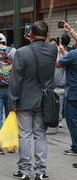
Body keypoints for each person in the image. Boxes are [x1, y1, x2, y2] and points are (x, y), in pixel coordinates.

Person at [9, 20, 57, 180]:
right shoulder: (52, 50)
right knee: (40, 135)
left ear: (30, 34)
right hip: (44, 100)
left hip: (25, 100)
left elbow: (16, 80)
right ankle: (41, 171)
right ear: (48, 35)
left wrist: (12, 101)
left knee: (24, 134)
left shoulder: (22, 52)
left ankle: (24, 171)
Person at [57, 21, 77, 157]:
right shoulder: (72, 54)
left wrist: (60, 54)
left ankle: (76, 147)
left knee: (72, 120)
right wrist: (70, 31)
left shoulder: (73, 54)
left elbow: (58, 64)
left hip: (74, 92)